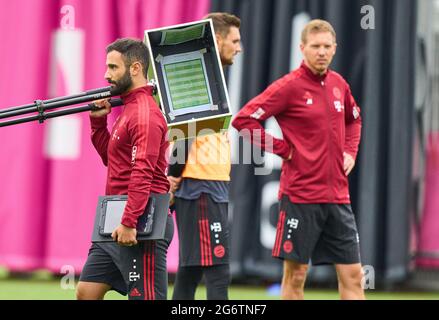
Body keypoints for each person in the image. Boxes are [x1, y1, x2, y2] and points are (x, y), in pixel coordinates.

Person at [232, 19, 365, 300]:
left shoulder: (339, 84)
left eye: (327, 46)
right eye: (315, 46)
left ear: (335, 48)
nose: (322, 52)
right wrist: (283, 149)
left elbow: (354, 120)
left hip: (338, 198)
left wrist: (350, 151)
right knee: (296, 276)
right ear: (302, 48)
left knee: (354, 276)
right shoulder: (288, 87)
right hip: (300, 198)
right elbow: (244, 120)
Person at [76, 38, 173, 300]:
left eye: (113, 68)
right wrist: (98, 124)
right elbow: (114, 160)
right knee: (86, 292)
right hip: (115, 217)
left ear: (135, 68)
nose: (106, 75)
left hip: (142, 220)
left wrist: (130, 221)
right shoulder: (129, 108)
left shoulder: (144, 114)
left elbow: (142, 171)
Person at [168, 12, 242, 300]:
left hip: (209, 184)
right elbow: (185, 130)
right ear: (219, 39)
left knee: (191, 270)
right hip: (199, 185)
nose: (239, 47)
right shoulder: (200, 76)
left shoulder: (211, 75)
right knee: (218, 270)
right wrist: (174, 175)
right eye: (235, 41)